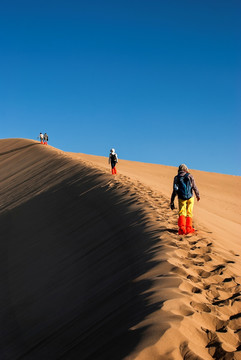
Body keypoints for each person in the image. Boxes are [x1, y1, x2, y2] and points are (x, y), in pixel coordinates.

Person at [170, 164, 200, 235]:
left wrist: (172, 201)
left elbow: (174, 190)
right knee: (189, 212)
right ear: (185, 169)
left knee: (182, 212)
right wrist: (197, 195)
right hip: (190, 197)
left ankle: (182, 229)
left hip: (181, 197)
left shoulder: (176, 178)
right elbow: (194, 187)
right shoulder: (190, 176)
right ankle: (189, 228)